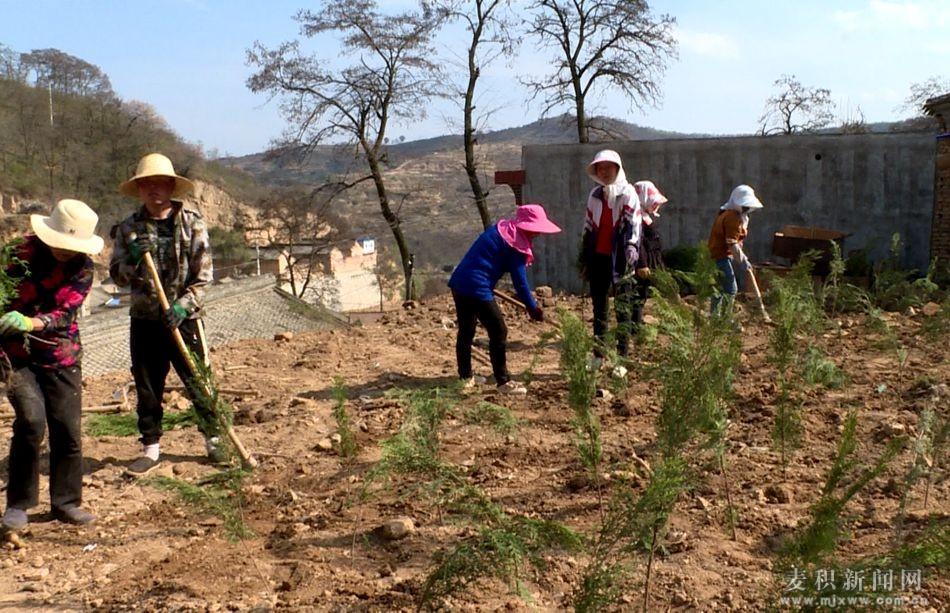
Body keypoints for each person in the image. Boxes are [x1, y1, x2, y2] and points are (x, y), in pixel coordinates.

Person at [110, 153, 218, 476]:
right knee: (147, 384)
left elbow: (204, 276)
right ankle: (151, 448)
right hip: (145, 320)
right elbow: (116, 275)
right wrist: (133, 259)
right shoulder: (129, 228)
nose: (153, 189)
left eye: (159, 184)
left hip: (185, 320)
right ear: (139, 189)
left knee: (198, 379)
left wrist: (182, 307)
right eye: (146, 184)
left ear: (171, 187)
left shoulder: (192, 223)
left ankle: (214, 439)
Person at [1, 199, 103, 530]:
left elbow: (66, 314)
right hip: (17, 355)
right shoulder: (17, 254)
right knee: (31, 423)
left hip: (61, 354)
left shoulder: (84, 268)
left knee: (67, 430)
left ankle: (66, 502)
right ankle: (18, 504)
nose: (64, 251)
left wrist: (32, 323)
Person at [449, 204, 561, 395]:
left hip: (460, 283)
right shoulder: (515, 244)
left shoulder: (501, 230)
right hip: (476, 286)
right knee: (499, 330)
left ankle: (465, 378)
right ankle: (503, 382)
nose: (538, 234)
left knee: (466, 331)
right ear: (526, 226)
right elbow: (521, 284)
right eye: (536, 230)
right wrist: (533, 309)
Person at [579, 150, 645, 358]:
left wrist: (632, 248)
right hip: (598, 257)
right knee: (599, 309)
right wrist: (583, 256)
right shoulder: (595, 195)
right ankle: (599, 355)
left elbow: (634, 224)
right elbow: (588, 226)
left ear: (618, 169)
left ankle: (622, 357)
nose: (605, 172)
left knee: (623, 308)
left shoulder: (628, 194)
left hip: (621, 258)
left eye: (609, 167)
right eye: (600, 168)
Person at [621, 181, 670, 347]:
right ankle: (635, 327)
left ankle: (637, 324)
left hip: (651, 260)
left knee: (642, 294)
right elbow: (638, 242)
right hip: (642, 264)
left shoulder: (645, 216)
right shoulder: (637, 219)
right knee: (638, 294)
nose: (655, 205)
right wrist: (641, 264)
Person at [708, 184, 764, 314]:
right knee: (731, 289)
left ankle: (716, 318)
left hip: (719, 256)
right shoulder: (732, 217)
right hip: (720, 256)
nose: (746, 208)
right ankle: (724, 319)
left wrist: (741, 257)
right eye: (744, 205)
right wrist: (743, 261)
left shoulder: (731, 215)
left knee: (720, 288)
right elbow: (732, 243)